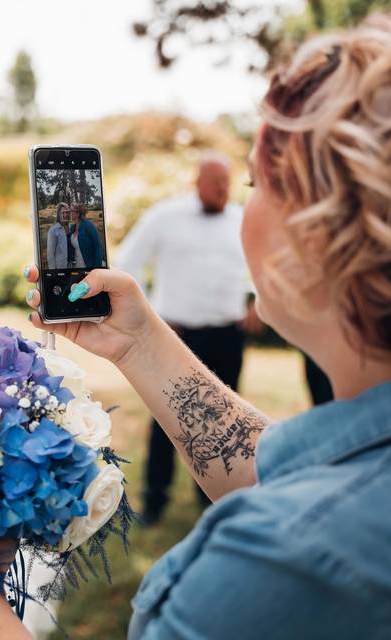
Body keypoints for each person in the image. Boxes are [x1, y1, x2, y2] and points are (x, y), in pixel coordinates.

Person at [0, 6, 391, 638]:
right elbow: (274, 466)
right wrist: (140, 342)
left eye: (257, 185)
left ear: (319, 239)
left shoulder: (276, 569)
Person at [117, 153, 259, 522]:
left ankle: (215, 499)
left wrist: (255, 302)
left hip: (229, 334)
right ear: (197, 182)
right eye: (216, 182)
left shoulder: (240, 220)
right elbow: (128, 260)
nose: (223, 189)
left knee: (226, 418)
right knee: (168, 417)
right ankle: (154, 500)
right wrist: (151, 313)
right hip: (180, 335)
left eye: (228, 183)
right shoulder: (166, 217)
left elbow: (262, 264)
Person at [71, 203, 104, 269]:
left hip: (89, 266)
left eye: (72, 211)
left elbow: (97, 247)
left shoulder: (88, 225)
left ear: (78, 214)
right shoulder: (73, 227)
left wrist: (96, 268)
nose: (70, 213)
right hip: (77, 265)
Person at [46, 202, 71, 269]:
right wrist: (53, 272)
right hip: (61, 267)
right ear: (59, 214)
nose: (65, 214)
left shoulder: (71, 227)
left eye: (67, 212)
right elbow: (50, 255)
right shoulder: (53, 230)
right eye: (63, 213)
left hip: (72, 266)